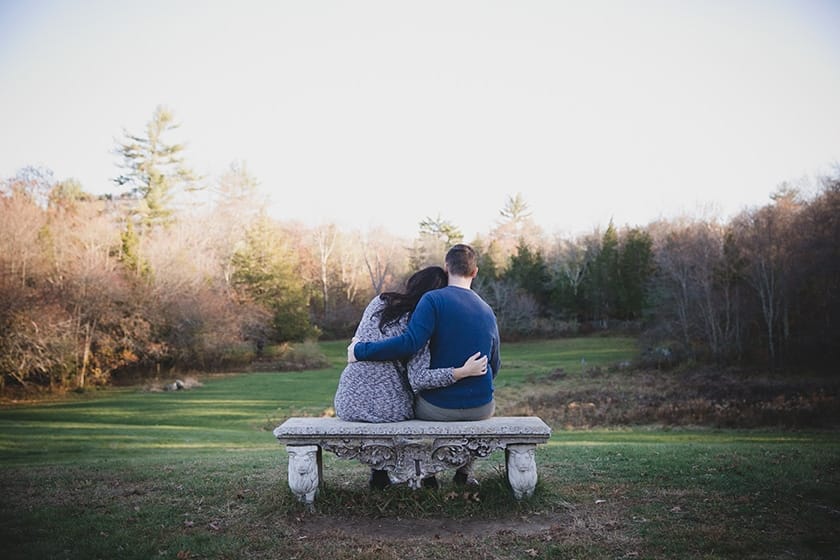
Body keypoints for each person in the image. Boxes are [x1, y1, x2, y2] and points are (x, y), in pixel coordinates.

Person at [348, 244, 501, 486]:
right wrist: (470, 376)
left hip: (438, 408)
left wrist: (359, 350)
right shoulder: (487, 310)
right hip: (482, 407)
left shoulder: (431, 301)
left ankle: (425, 475)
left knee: (411, 403)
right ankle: (463, 473)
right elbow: (495, 364)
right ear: (475, 272)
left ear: (447, 266)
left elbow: (410, 343)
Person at [334, 265, 487, 424]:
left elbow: (360, 341)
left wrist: (359, 350)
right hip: (389, 409)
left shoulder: (380, 302)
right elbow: (419, 378)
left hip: (347, 401)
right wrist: (461, 372)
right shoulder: (421, 323)